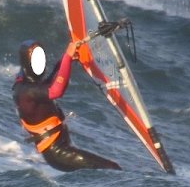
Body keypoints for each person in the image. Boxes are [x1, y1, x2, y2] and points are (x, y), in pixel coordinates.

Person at [13, 37, 121, 172]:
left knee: (106, 169)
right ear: (27, 63)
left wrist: (67, 56)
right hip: (57, 153)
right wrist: (67, 58)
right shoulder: (25, 90)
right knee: (112, 169)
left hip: (60, 149)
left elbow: (51, 81)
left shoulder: (29, 83)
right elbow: (55, 91)